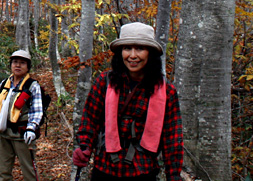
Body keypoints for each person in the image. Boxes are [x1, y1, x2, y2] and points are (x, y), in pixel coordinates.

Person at [72, 22, 184, 181]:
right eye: (127, 48)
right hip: (105, 169)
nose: (132, 55)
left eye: (140, 48)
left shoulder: (167, 92)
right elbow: (90, 120)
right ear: (120, 53)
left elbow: (172, 138)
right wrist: (84, 147)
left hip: (143, 171)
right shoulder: (105, 82)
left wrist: (174, 175)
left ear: (150, 53)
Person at [0, 49, 44, 181]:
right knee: (3, 173)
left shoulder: (32, 86)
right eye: (15, 62)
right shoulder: (5, 84)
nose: (18, 65)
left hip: (23, 136)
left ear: (28, 67)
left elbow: (37, 110)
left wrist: (32, 128)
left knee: (29, 173)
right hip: (4, 134)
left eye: (22, 63)